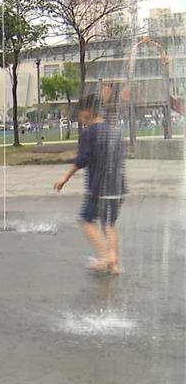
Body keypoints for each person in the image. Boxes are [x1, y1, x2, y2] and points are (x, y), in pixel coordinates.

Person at [53, 94, 126, 275]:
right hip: (117, 188)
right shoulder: (113, 130)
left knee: (86, 220)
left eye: (79, 113)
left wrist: (65, 177)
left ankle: (105, 257)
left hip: (99, 189)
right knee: (109, 224)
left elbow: (82, 159)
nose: (79, 117)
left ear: (87, 112)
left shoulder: (90, 132)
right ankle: (114, 265)